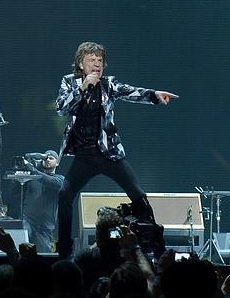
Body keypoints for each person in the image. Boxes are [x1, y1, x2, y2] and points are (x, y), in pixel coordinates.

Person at [55, 41, 179, 258]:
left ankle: (157, 248)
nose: (96, 64)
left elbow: (131, 92)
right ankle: (64, 251)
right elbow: (61, 108)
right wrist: (83, 87)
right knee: (65, 195)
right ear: (80, 64)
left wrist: (154, 95)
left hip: (108, 153)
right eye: (91, 60)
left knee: (138, 195)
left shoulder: (108, 84)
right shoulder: (69, 82)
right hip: (83, 157)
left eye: (100, 60)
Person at [10, 150, 64, 253]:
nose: (47, 159)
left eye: (51, 158)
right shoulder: (32, 177)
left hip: (44, 228)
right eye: (45, 158)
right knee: (20, 250)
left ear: (57, 163)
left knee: (44, 257)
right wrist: (18, 175)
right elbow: (14, 193)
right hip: (28, 222)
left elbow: (48, 180)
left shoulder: (60, 179)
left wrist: (32, 169)